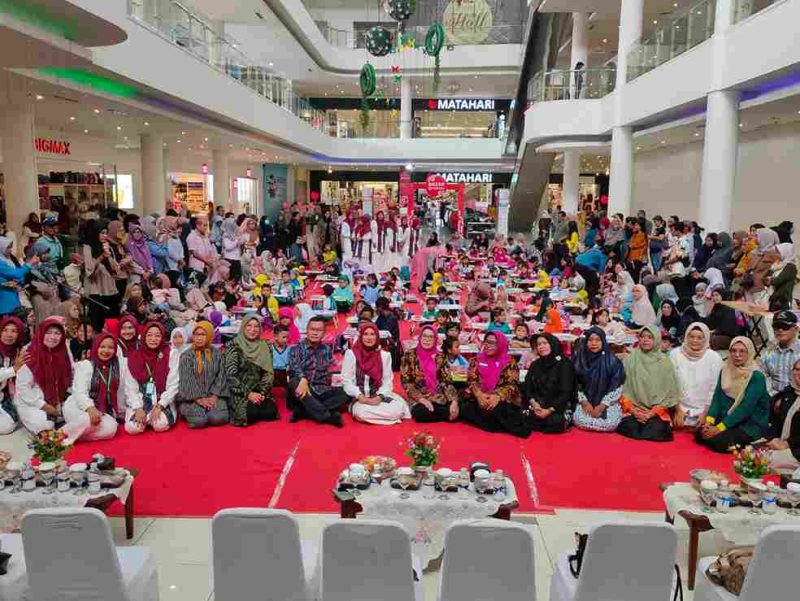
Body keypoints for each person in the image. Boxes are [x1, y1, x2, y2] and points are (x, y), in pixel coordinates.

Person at [62, 332, 143, 443]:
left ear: (115, 349)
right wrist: (90, 408)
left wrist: (138, 407)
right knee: (86, 419)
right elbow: (79, 392)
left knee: (111, 429)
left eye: (110, 347)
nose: (106, 351)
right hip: (79, 407)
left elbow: (130, 388)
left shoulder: (122, 365)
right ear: (96, 347)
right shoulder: (86, 365)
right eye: (102, 346)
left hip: (104, 411)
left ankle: (72, 437)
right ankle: (56, 436)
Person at [696, 336, 770, 453]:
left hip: (749, 424)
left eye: (742, 351)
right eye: (733, 351)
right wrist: (709, 423)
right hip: (726, 418)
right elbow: (717, 398)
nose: (737, 355)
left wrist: (719, 428)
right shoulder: (725, 370)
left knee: (718, 442)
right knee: (700, 433)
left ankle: (752, 442)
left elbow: (745, 409)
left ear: (750, 353)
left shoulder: (756, 376)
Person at [616, 326, 681, 442]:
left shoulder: (665, 362)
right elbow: (621, 388)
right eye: (642, 337)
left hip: (656, 411)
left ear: (656, 339)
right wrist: (633, 411)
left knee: (658, 429)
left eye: (650, 337)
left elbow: (670, 394)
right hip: (633, 409)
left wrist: (651, 413)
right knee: (628, 426)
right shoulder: (630, 360)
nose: (645, 340)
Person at [460, 332, 529, 437]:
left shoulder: (510, 362)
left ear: (500, 344)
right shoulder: (476, 360)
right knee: (466, 407)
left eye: (492, 343)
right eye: (486, 342)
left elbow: (511, 384)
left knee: (499, 410)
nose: (488, 345)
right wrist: (479, 395)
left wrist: (497, 396)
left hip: (500, 400)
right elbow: (471, 380)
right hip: (480, 398)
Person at [342, 323, 409, 425]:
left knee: (398, 410)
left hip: (378, 397)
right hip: (360, 399)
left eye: (372, 334)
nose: (369, 338)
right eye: (366, 334)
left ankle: (386, 417)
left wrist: (380, 397)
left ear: (377, 337)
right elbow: (347, 381)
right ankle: (390, 418)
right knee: (361, 413)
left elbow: (387, 382)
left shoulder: (384, 356)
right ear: (361, 336)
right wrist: (359, 396)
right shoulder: (351, 354)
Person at [287, 316, 349, 426]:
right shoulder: (295, 348)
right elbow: (295, 367)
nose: (315, 333)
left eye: (319, 330)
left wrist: (347, 364)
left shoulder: (327, 349)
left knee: (347, 391)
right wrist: (303, 379)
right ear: (307, 330)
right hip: (302, 390)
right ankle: (327, 416)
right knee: (294, 382)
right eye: (312, 329)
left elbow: (335, 366)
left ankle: (304, 412)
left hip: (321, 390)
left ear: (324, 333)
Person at [15, 316, 72, 433]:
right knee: (45, 426)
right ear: (41, 334)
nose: (53, 337)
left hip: (58, 401)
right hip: (32, 402)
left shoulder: (64, 352)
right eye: (48, 332)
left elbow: (69, 377)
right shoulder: (29, 354)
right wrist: (44, 406)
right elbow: (23, 388)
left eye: (57, 333)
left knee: (78, 416)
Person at [224, 314, 278, 426]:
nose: (252, 330)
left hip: (259, 390)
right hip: (239, 391)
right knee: (250, 413)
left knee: (271, 412)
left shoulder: (265, 346)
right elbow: (231, 376)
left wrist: (262, 393)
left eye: (256, 326)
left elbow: (268, 373)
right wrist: (248, 394)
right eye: (249, 325)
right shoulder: (233, 345)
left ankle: (258, 402)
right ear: (243, 326)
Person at [127, 321, 179, 433]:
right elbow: (130, 387)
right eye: (149, 335)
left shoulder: (170, 354)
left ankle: (151, 418)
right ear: (144, 337)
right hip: (142, 400)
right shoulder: (134, 356)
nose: (153, 339)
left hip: (162, 400)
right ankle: (145, 416)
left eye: (157, 336)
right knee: (133, 428)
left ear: (162, 337)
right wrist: (138, 408)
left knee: (159, 425)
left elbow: (173, 385)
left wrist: (160, 405)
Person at [669, 322, 724, 429]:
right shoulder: (675, 354)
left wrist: (706, 413)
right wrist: (678, 410)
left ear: (706, 339)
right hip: (679, 407)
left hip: (705, 408)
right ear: (686, 336)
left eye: (699, 338)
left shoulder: (714, 357)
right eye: (691, 336)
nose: (695, 340)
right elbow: (671, 384)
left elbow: (715, 388)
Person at [400, 326, 460, 423]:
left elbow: (446, 380)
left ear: (435, 339)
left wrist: (454, 401)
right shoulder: (409, 355)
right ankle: (445, 414)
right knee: (421, 413)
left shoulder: (440, 357)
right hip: (419, 398)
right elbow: (406, 382)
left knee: (456, 408)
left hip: (438, 397)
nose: (427, 339)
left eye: (430, 337)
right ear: (420, 337)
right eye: (424, 336)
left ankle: (445, 412)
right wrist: (421, 399)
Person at [177, 321, 230, 428]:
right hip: (191, 398)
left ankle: (211, 409)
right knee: (199, 421)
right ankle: (190, 410)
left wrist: (214, 396)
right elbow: (187, 379)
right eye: (196, 334)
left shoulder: (217, 353)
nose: (199, 338)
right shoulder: (186, 356)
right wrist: (199, 399)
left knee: (217, 418)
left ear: (210, 335)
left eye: (203, 334)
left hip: (213, 395)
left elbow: (221, 376)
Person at [572, 327, 625, 432]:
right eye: (590, 340)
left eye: (597, 340)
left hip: (607, 402)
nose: (594, 343)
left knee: (611, 423)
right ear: (586, 342)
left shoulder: (613, 361)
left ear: (603, 342)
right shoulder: (579, 360)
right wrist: (584, 402)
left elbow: (618, 385)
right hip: (584, 401)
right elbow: (573, 383)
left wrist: (602, 405)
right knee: (580, 419)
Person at [522, 333, 576, 433]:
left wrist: (549, 410)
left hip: (557, 407)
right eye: (539, 344)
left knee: (556, 422)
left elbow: (566, 392)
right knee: (520, 416)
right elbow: (527, 387)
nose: (541, 346)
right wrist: (534, 404)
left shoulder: (565, 364)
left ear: (552, 344)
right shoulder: (535, 364)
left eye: (545, 343)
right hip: (537, 405)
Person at [766, 358, 800, 472]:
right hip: (783, 445)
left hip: (796, 449)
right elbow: (775, 419)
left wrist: (787, 443)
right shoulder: (790, 393)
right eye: (797, 369)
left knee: (763, 461)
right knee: (751, 454)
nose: (799, 373)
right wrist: (773, 439)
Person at [760, 310, 800, 395]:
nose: (780, 330)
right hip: (773, 395)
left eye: (785, 326)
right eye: (776, 326)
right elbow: (763, 374)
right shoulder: (770, 351)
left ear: (796, 329)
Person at [0, 316, 25, 433]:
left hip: (7, 397)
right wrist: (14, 369)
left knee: (9, 425)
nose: (9, 335)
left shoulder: (20, 351)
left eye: (14, 331)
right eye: (5, 330)